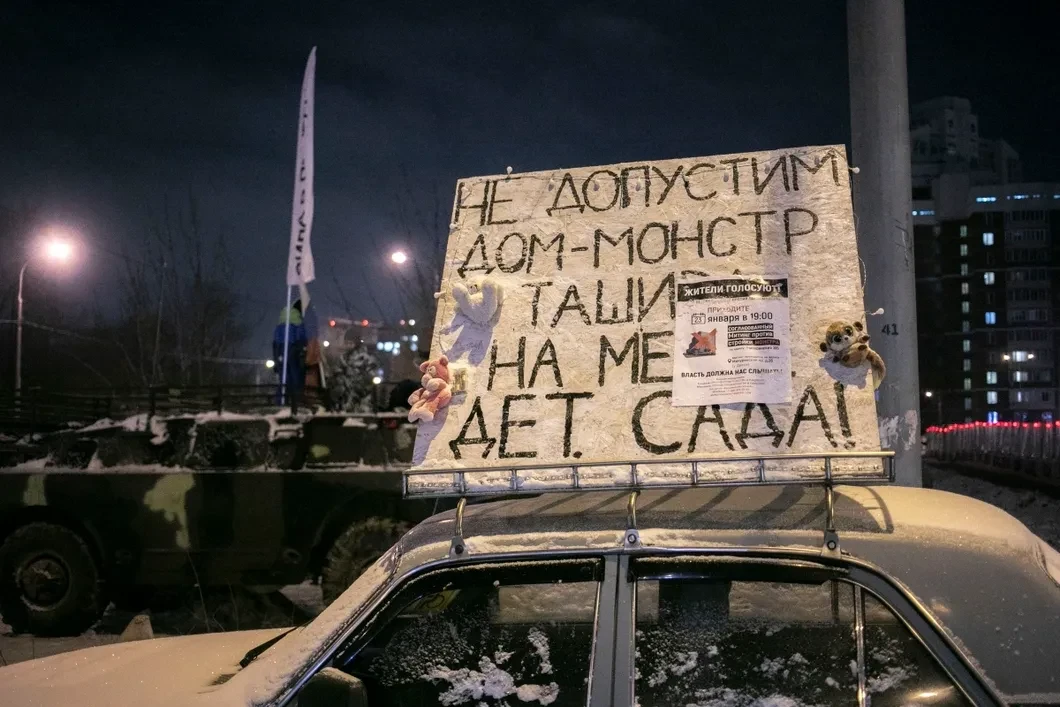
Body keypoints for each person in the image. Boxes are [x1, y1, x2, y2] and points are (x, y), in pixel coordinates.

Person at [272, 299, 308, 409]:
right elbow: (302, 339)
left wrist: (276, 359)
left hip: (280, 351)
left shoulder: (280, 322)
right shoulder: (298, 322)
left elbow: (274, 342)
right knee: (295, 378)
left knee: (283, 379)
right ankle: (295, 404)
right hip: (293, 351)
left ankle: (280, 402)